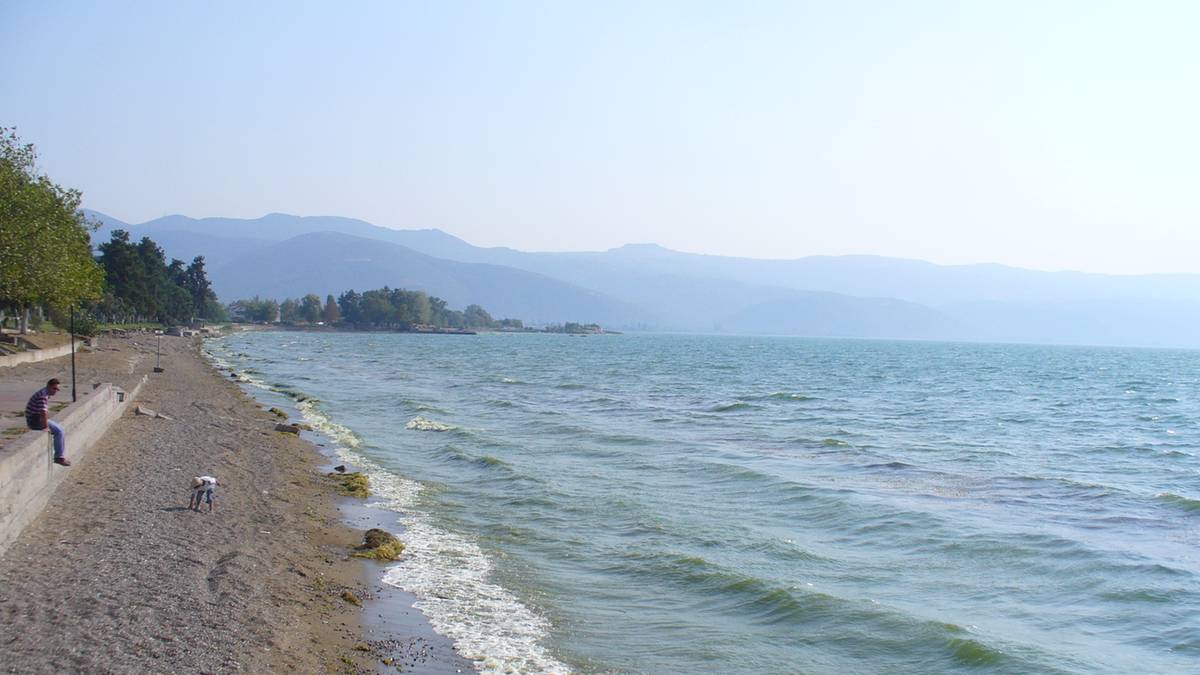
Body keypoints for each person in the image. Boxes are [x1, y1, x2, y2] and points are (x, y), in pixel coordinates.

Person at [25, 378, 69, 466]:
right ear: (48, 386)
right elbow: (43, 413)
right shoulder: (43, 396)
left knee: (61, 428)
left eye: (57, 389)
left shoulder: (44, 393)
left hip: (36, 418)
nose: (55, 391)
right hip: (35, 421)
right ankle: (59, 457)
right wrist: (45, 427)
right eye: (54, 388)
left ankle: (59, 455)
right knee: (59, 431)